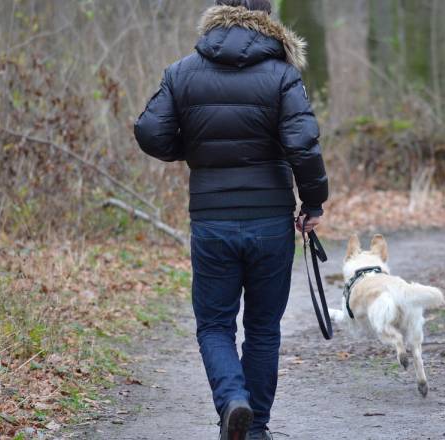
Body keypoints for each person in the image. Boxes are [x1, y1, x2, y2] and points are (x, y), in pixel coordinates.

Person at [134, 0, 328, 438]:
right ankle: (254, 428)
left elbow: (149, 131)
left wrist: (196, 150)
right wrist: (313, 202)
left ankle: (232, 401)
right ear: (267, 15)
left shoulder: (182, 71)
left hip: (212, 219)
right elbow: (302, 144)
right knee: (263, 327)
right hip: (270, 219)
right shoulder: (282, 74)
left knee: (215, 325)